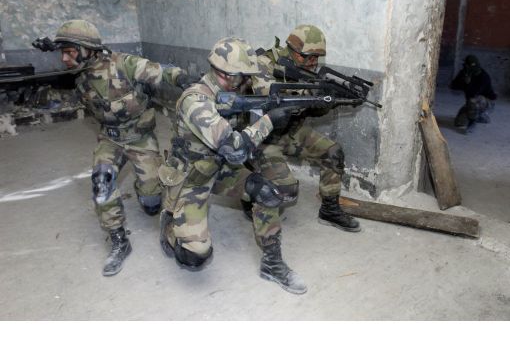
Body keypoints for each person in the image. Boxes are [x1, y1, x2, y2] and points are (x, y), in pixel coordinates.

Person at [39, 19, 192, 276]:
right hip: (109, 139)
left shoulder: (124, 65)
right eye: (62, 53)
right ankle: (119, 239)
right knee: (102, 180)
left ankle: (146, 192)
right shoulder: (80, 74)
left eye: (70, 52)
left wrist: (187, 80)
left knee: (153, 198)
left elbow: (164, 71)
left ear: (88, 49)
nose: (64, 59)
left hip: (140, 138)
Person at [158, 37, 307, 294]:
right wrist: (269, 122)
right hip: (191, 176)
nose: (249, 81)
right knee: (195, 257)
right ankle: (170, 221)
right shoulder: (195, 101)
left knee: (267, 191)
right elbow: (235, 148)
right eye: (245, 77)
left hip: (220, 168)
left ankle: (272, 264)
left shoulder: (232, 92)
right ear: (227, 75)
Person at [251, 24, 361, 232]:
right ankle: (249, 194)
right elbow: (272, 100)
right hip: (261, 135)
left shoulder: (305, 70)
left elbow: (309, 111)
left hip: (290, 132)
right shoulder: (264, 63)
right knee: (285, 187)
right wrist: (308, 95)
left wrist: (329, 102)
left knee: (333, 152)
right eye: (307, 57)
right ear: (291, 49)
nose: (312, 63)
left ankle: (329, 209)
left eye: (316, 58)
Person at [450, 55, 497, 133]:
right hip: (470, 103)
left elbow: (474, 93)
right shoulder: (464, 73)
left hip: (487, 102)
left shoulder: (484, 76)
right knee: (459, 122)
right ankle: (481, 117)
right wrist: (462, 81)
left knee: (474, 100)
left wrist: (469, 83)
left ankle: (473, 122)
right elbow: (453, 86)